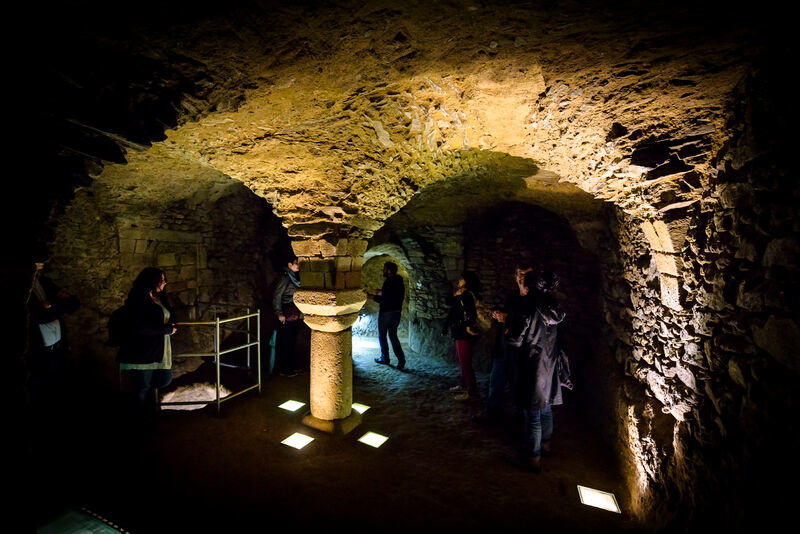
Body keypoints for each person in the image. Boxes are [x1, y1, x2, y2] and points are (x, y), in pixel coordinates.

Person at [507, 270, 566, 473]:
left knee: (533, 413)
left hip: (532, 364)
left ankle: (533, 458)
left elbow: (515, 339)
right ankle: (546, 445)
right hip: (549, 363)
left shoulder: (530, 308)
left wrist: (508, 330)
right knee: (546, 406)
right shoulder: (555, 308)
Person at [474, 264, 535, 424]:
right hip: (504, 348)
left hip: (520, 352)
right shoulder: (513, 297)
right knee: (496, 382)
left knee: (518, 385)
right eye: (519, 274)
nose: (521, 278)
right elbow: (507, 315)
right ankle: (491, 411)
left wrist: (507, 317)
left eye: (525, 274)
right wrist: (498, 314)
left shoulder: (534, 300)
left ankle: (521, 416)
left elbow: (531, 324)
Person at [118, 268, 176, 420]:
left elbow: (168, 314)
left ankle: (149, 420)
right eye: (161, 279)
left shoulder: (159, 297)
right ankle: (139, 424)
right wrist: (166, 329)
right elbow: (137, 327)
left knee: (154, 386)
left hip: (157, 350)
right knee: (141, 390)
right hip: (142, 353)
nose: (164, 282)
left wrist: (170, 326)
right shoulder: (138, 299)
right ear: (151, 281)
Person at [27, 249, 79, 407]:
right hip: (38, 349)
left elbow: (73, 304)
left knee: (58, 386)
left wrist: (52, 306)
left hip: (57, 346)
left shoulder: (44, 282)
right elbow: (36, 315)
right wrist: (55, 308)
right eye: (38, 263)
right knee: (39, 389)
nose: (41, 266)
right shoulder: (24, 288)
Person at [444, 272, 482, 401]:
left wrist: (467, 326)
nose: (459, 280)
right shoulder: (461, 293)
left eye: (461, 278)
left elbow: (471, 313)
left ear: (466, 281)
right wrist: (456, 295)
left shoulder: (468, 295)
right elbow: (449, 303)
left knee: (465, 362)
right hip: (459, 331)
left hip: (465, 333)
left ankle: (471, 392)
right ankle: (463, 385)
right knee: (461, 360)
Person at [367, 261, 406, 370]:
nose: (383, 271)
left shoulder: (389, 282)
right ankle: (401, 360)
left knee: (382, 335)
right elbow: (393, 295)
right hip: (396, 312)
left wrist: (373, 297)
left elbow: (386, 299)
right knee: (393, 336)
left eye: (384, 269)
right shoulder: (399, 281)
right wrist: (382, 291)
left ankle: (385, 357)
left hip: (386, 312)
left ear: (389, 270)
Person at [272, 255, 302, 376]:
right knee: (286, 342)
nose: (298, 265)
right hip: (287, 314)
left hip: (294, 314)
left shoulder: (294, 278)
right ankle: (284, 369)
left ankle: (290, 367)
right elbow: (277, 296)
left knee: (292, 341)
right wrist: (279, 313)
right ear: (289, 265)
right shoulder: (285, 278)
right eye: (296, 263)